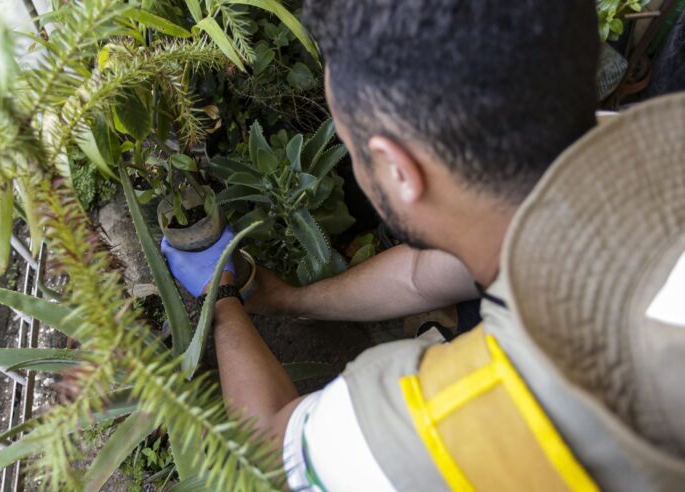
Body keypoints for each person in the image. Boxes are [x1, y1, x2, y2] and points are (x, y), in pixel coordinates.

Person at [161, 0, 685, 489]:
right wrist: (287, 299)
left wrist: (221, 295)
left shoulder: (464, 412)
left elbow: (271, 450)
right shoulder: (639, 139)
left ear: (397, 167)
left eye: (350, 142)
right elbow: (423, 273)